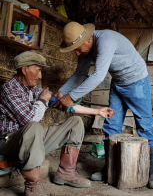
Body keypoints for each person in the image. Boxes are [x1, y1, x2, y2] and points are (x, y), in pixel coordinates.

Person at [56, 22, 153, 189]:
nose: (77, 53)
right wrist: (61, 93)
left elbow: (98, 76)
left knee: (145, 125)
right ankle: (110, 168)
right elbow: (79, 74)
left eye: (78, 48)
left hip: (137, 82)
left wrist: (72, 96)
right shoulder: (85, 49)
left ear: (87, 39)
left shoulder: (106, 40)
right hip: (118, 83)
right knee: (111, 125)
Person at [0, 51, 114, 196]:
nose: (40, 76)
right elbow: (29, 120)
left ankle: (66, 173)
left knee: (75, 122)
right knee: (34, 126)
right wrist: (42, 101)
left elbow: (63, 105)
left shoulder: (33, 90)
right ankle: (32, 184)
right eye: (39, 70)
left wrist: (98, 112)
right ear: (24, 69)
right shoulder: (9, 89)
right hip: (9, 142)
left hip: (31, 141)